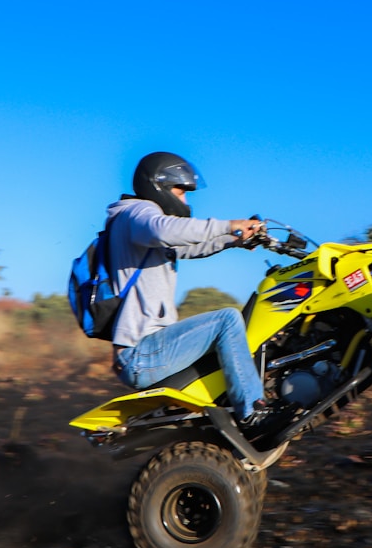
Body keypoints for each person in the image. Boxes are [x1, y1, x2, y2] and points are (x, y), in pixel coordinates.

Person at [107, 151, 273, 429]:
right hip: (140, 353)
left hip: (149, 350)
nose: (184, 200)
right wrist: (228, 225)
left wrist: (233, 240)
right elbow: (165, 230)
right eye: (181, 191)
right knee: (227, 320)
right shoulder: (137, 213)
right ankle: (251, 412)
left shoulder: (140, 224)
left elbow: (187, 245)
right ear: (158, 185)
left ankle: (231, 411)